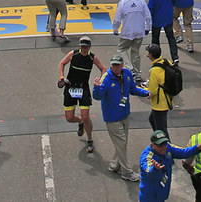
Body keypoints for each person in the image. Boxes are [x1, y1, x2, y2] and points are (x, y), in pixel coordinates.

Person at [93, 53, 148, 181]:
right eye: (113, 65)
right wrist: (96, 88)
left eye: (117, 65)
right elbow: (98, 96)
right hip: (112, 117)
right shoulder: (106, 78)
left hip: (124, 114)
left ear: (122, 65)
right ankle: (126, 172)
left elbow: (133, 89)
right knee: (121, 143)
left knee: (122, 143)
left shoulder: (127, 74)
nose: (115, 68)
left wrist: (145, 93)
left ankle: (114, 165)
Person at [58, 35, 106, 153]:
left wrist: (101, 80)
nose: (84, 49)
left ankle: (90, 140)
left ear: (90, 46)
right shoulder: (73, 54)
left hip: (83, 88)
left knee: (86, 116)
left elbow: (103, 69)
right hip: (70, 87)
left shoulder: (93, 58)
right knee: (69, 118)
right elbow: (62, 63)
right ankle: (80, 122)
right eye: (82, 46)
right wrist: (62, 77)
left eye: (86, 47)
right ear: (79, 46)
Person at [139, 129, 201, 202]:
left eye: (164, 143)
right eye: (160, 145)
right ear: (152, 145)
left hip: (161, 193)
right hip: (149, 197)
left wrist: (198, 148)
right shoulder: (147, 157)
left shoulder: (168, 147)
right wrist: (155, 169)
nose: (163, 147)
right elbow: (148, 171)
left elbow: (183, 152)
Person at [114, 0, 152, 80]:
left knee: (122, 49)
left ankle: (129, 67)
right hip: (139, 31)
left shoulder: (122, 3)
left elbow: (117, 19)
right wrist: (148, 27)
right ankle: (137, 73)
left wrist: (115, 29)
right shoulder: (141, 1)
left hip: (127, 32)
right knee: (135, 52)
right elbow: (148, 16)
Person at [146, 44, 177, 138]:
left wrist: (145, 89)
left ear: (151, 55)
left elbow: (153, 91)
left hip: (159, 103)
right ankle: (159, 141)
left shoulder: (154, 70)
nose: (147, 55)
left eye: (148, 53)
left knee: (161, 129)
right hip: (168, 98)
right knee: (152, 119)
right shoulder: (167, 62)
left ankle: (166, 147)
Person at [148, 0, 179, 65]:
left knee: (155, 40)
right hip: (168, 19)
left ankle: (156, 59)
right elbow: (175, 0)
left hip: (156, 21)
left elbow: (150, 9)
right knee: (171, 38)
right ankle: (175, 57)